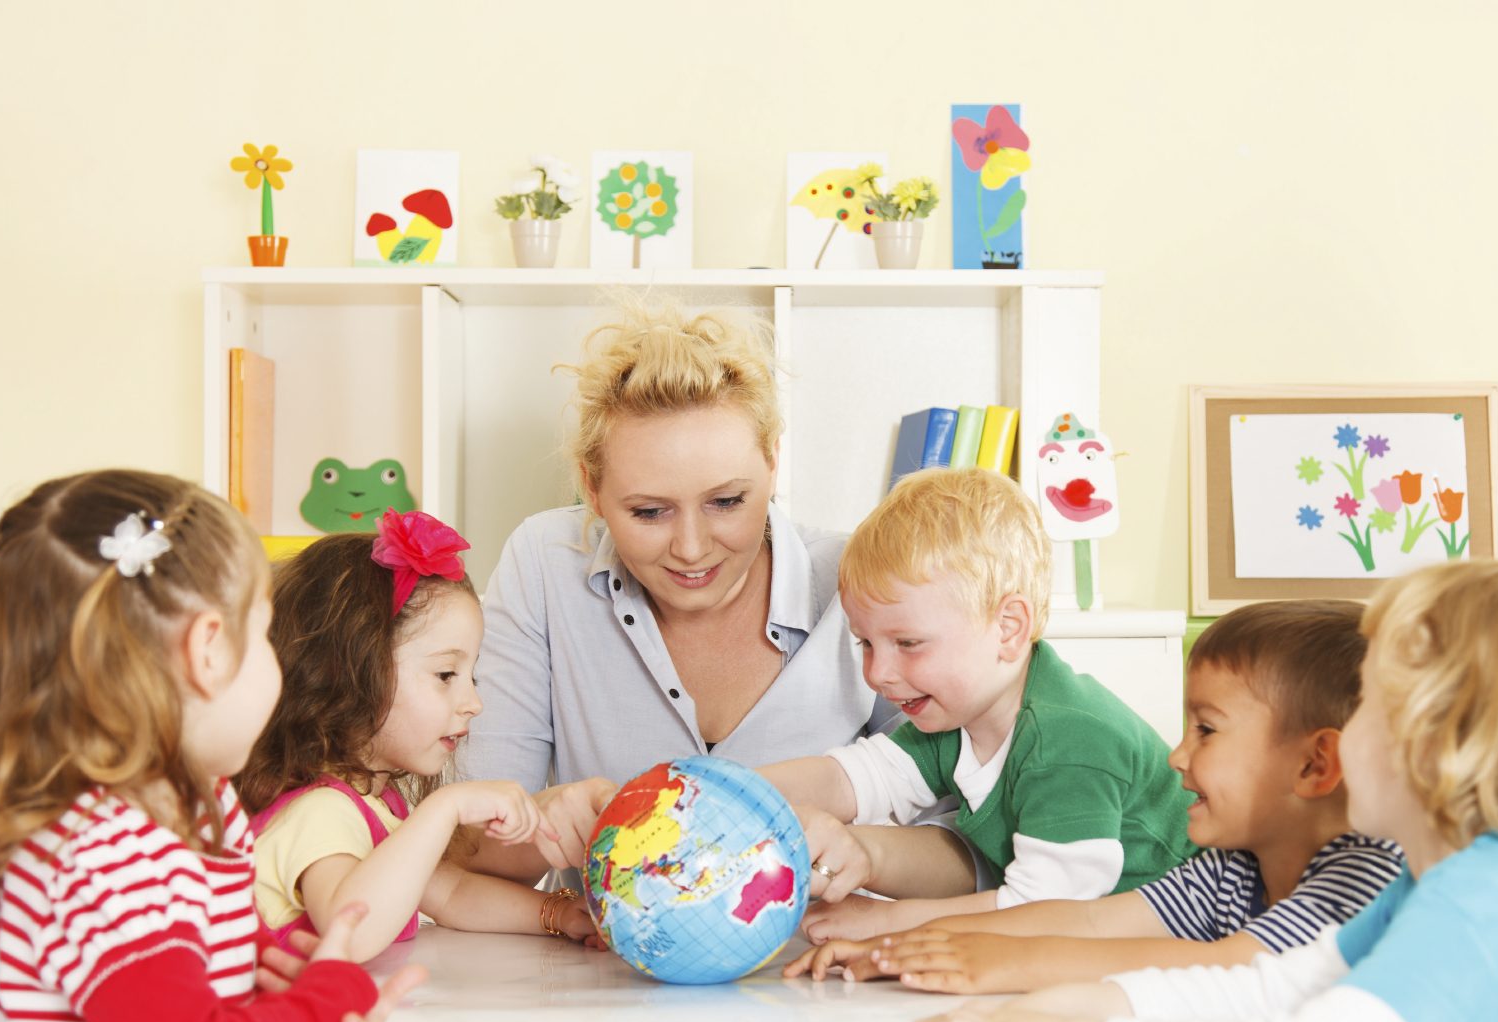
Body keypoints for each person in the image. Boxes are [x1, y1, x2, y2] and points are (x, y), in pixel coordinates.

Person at [892, 560, 1498, 1022]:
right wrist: (1047, 1010)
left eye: (1370, 701)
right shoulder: (1447, 884)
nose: (1347, 730)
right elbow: (1267, 989)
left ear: (1445, 743)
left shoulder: (1494, 910)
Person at [464, 298, 977, 898]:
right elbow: (468, 852)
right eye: (649, 512)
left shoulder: (859, 583)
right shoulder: (544, 565)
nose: (690, 548)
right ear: (592, 488)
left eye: (726, 502)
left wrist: (865, 850)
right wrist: (543, 820)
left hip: (827, 974)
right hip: (605, 977)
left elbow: (977, 845)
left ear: (772, 463)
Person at [0, 470, 422, 1022]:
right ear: (207, 649)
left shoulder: (190, 817)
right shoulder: (108, 852)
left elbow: (216, 1013)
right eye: (264, 635)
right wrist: (324, 1004)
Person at [787, 599, 1403, 991]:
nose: (1177, 756)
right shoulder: (1229, 871)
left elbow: (1235, 969)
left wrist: (994, 962)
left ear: (1315, 764)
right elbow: (1089, 919)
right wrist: (906, 948)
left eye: (1206, 731)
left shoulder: (1371, 878)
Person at [762, 467, 1195, 942]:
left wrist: (884, 922)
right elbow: (853, 777)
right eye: (865, 643)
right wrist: (731, 792)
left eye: (907, 642)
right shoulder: (957, 718)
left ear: (1008, 629)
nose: (877, 672)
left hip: (1191, 945)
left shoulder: (1068, 739)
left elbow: (1043, 912)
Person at [237, 510, 598, 962]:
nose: (474, 703)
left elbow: (453, 894)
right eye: (446, 674)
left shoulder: (375, 804)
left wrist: (558, 914)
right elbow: (349, 933)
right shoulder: (320, 811)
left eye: (473, 676)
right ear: (349, 672)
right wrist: (445, 808)